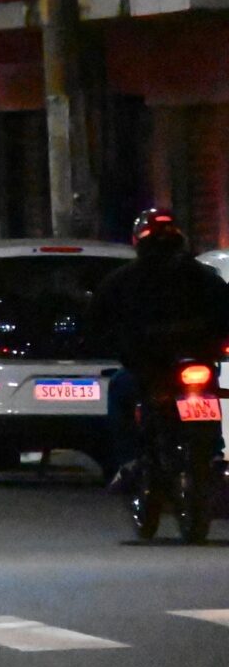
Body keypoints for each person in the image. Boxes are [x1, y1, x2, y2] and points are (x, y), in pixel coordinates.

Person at [89, 208, 229, 489]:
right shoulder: (203, 276)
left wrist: (111, 343)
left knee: (119, 390)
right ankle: (214, 451)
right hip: (193, 360)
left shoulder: (124, 279)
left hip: (152, 365)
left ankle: (129, 461)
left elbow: (98, 319)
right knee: (204, 392)